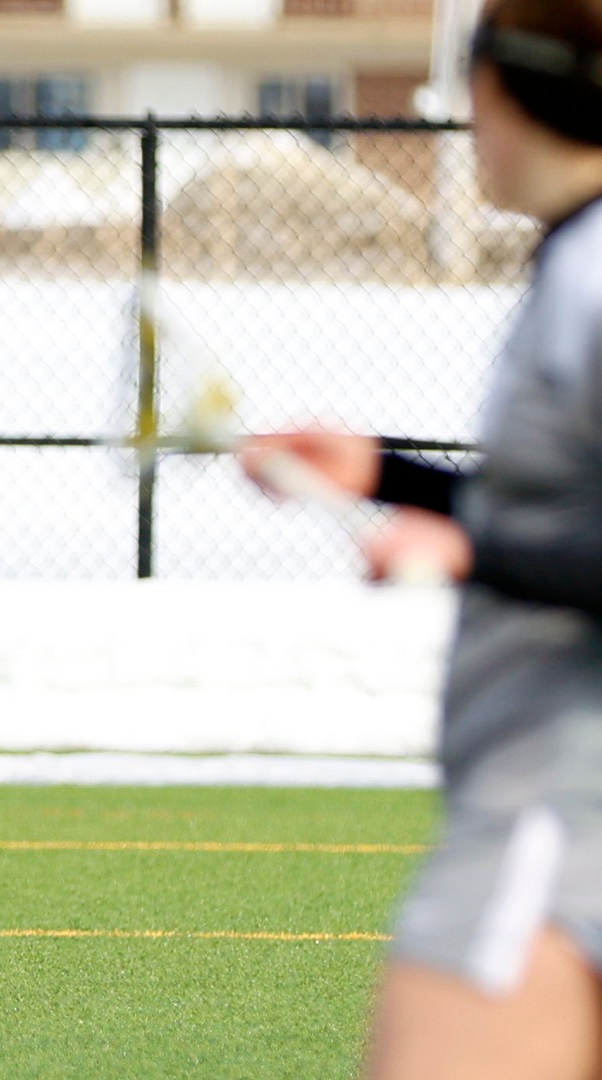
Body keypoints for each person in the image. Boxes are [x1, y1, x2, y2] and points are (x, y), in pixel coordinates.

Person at [239, 2, 602, 1073]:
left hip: (560, 798)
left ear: (490, 90)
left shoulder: (591, 270)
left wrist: (471, 551)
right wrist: (389, 474)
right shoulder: (575, 254)